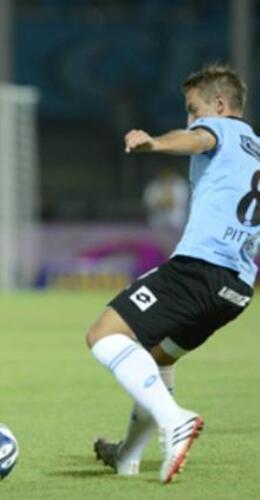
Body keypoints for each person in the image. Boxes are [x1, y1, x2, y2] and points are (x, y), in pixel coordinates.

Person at [86, 64, 258, 484]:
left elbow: (200, 137)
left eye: (192, 108)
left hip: (201, 268)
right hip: (237, 288)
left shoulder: (225, 129)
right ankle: (127, 455)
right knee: (157, 360)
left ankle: (174, 421)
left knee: (104, 334)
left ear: (219, 105)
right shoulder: (255, 145)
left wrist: (154, 143)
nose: (190, 118)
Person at [142, 165, 189, 253]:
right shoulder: (154, 184)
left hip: (176, 223)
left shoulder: (180, 184)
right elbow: (148, 203)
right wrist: (160, 202)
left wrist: (165, 201)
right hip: (158, 222)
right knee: (160, 246)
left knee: (176, 246)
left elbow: (178, 203)